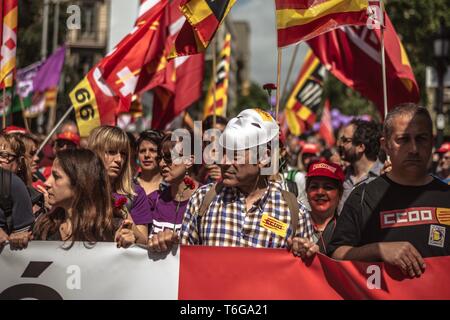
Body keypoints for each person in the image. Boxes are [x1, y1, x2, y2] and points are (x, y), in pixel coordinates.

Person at [148, 108, 313, 252]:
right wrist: (166, 245)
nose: (223, 161)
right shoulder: (202, 199)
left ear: (264, 156)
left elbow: (304, 278)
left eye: (235, 154)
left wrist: (305, 253)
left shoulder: (293, 213)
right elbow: (184, 264)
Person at [328, 104, 450, 278]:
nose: (414, 149)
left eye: (421, 138)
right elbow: (335, 254)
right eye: (403, 139)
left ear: (431, 141)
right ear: (385, 145)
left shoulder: (446, 196)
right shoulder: (363, 196)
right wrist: (378, 250)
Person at [33, 149, 136, 248]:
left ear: (80, 183)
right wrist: (20, 242)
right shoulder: (45, 226)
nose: (47, 183)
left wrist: (127, 244)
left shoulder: (110, 230)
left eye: (56, 177)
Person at [88, 126, 151, 244]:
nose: (118, 159)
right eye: (111, 152)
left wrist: (124, 215)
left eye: (123, 153)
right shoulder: (79, 189)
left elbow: (144, 241)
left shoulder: (135, 193)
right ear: (95, 152)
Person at [147, 132, 199, 240]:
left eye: (169, 157)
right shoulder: (153, 200)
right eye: (159, 158)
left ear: (189, 160)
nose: (161, 164)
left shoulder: (206, 200)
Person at [289, 160, 345, 258]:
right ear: (307, 192)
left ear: (340, 194)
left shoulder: (346, 231)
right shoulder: (292, 223)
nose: (320, 192)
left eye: (328, 187)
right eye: (314, 187)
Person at [337, 119, 383, 213]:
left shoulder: (383, 176)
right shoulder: (342, 176)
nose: (341, 144)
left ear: (360, 147)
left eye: (345, 140)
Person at [135, 130, 164, 195]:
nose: (147, 155)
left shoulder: (171, 187)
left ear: (161, 154)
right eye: (142, 151)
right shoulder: (127, 185)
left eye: (152, 150)